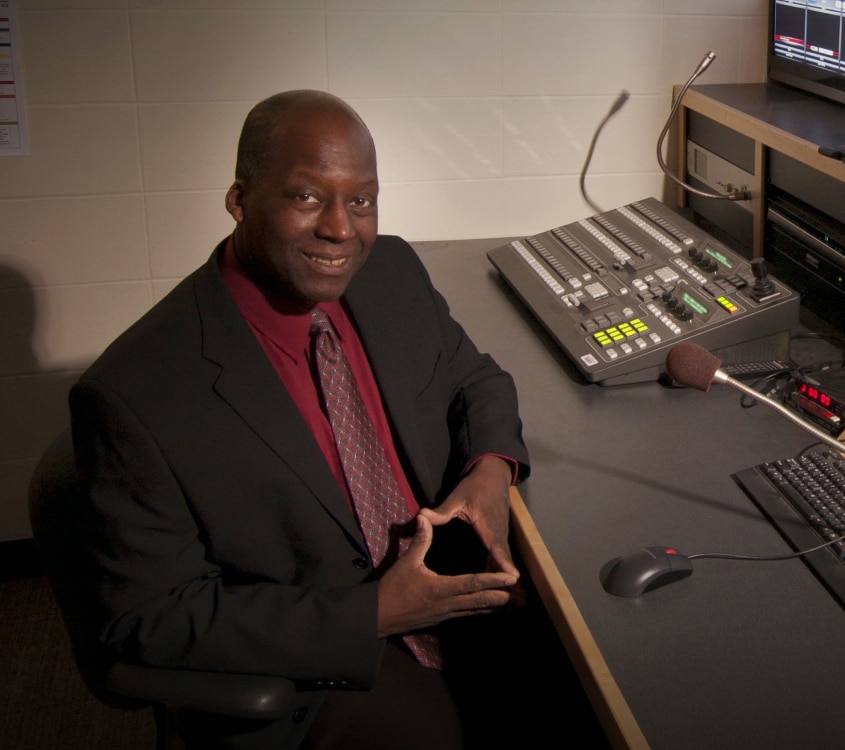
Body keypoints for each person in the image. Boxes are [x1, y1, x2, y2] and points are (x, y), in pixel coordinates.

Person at [67, 90, 531, 748]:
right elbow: (149, 616)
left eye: (361, 200)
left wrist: (490, 472)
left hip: (445, 586)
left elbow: (476, 380)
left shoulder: (391, 270)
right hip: (315, 666)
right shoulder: (135, 392)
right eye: (307, 197)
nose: (342, 230)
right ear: (239, 200)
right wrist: (373, 611)